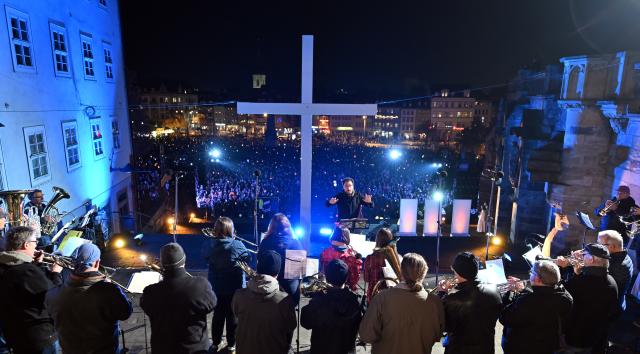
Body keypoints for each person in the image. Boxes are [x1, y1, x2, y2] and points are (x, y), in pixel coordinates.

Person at [45, 243, 132, 354]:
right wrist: (114, 288)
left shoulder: (53, 294)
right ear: (97, 263)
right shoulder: (109, 291)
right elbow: (126, 313)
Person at [359, 253, 444, 354]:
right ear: (424, 273)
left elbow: (367, 335)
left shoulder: (382, 298)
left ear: (401, 272)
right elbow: (436, 336)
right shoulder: (435, 302)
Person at [141, 243, 217, 354]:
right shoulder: (201, 284)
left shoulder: (150, 291)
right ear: (184, 260)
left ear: (162, 263)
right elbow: (212, 304)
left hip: (163, 349)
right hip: (194, 349)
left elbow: (146, 307)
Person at [0, 226, 62, 354]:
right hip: (39, 338)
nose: (37, 246)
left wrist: (36, 266)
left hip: (15, 336)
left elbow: (24, 288)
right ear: (26, 245)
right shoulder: (28, 271)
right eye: (35, 242)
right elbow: (54, 297)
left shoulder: (5, 265)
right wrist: (55, 273)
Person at [499, 260, 573, 354]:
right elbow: (542, 299)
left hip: (524, 347)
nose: (530, 275)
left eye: (531, 272)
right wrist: (523, 290)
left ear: (537, 279)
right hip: (547, 344)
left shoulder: (527, 301)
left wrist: (510, 293)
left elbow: (505, 317)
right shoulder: (565, 297)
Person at [437, 252, 502, 354]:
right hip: (486, 348)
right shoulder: (494, 289)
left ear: (458, 272)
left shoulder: (453, 299)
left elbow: (443, 325)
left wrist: (442, 293)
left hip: (459, 349)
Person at [232, 250, 296, 354]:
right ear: (278, 273)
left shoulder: (239, 295)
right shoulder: (285, 300)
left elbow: (236, 314)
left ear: (258, 268)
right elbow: (290, 326)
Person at [561, 243, 620, 353]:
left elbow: (563, 298)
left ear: (591, 259)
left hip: (577, 337)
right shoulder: (611, 280)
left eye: (584, 254)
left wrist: (573, 275)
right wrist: (578, 274)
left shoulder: (583, 282)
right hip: (596, 336)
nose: (582, 257)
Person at [206, 217, 250, 353]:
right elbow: (248, 257)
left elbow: (205, 257)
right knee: (232, 316)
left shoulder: (209, 244)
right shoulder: (237, 244)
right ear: (231, 229)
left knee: (218, 315)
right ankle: (231, 344)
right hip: (234, 288)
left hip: (216, 287)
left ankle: (215, 343)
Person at [301, 259, 362, 354]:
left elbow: (305, 323)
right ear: (346, 278)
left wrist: (315, 299)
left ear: (327, 277)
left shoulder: (319, 299)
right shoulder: (357, 300)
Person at [257, 213, 303, 300]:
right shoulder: (295, 243)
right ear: (288, 226)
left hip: (267, 288)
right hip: (289, 290)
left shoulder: (265, 242)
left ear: (271, 226)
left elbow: (259, 263)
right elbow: (298, 272)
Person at [596, 230, 632, 310]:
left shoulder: (615, 265)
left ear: (611, 247)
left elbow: (597, 288)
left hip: (610, 309)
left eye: (599, 244)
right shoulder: (624, 255)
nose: (597, 246)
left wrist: (579, 270)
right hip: (618, 302)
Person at [319, 227, 362, 291]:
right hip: (344, 291)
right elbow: (354, 279)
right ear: (347, 237)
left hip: (327, 289)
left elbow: (320, 273)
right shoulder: (350, 255)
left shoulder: (324, 252)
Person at [363, 228, 399, 302]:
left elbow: (366, 278)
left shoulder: (370, 258)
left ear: (377, 240)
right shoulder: (396, 258)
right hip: (390, 297)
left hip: (373, 297)